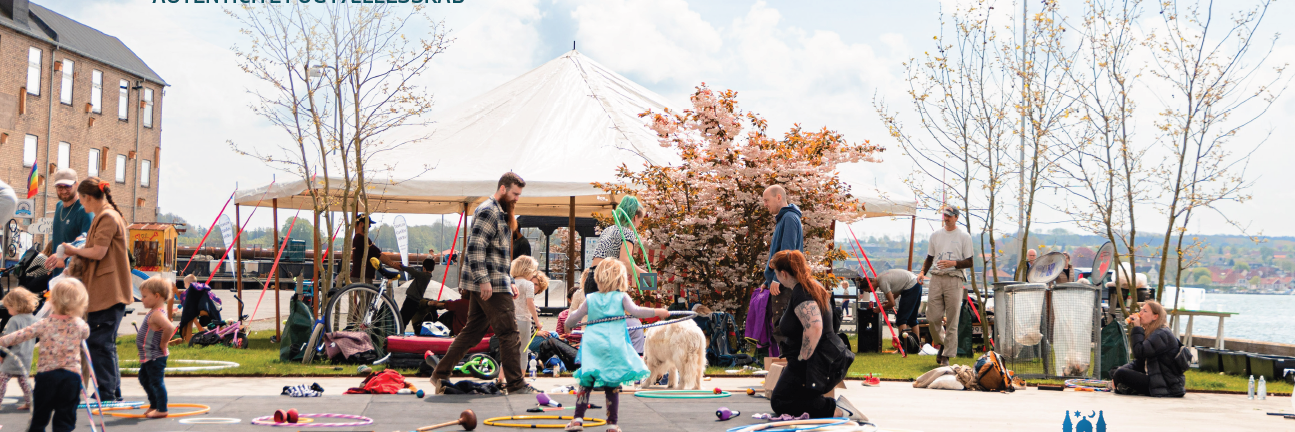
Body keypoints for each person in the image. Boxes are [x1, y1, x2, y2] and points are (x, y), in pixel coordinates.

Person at [430, 172, 536, 395]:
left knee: (473, 332)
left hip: (494, 280)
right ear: (503, 189)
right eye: (515, 194)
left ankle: (440, 374)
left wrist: (509, 280)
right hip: (489, 283)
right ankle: (516, 384)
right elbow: (476, 248)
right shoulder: (489, 211)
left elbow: (497, 254)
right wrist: (484, 280)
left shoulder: (499, 212)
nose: (517, 198)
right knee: (509, 333)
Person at [563, 259, 670, 432]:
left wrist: (568, 325)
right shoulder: (621, 297)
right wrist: (657, 312)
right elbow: (637, 311)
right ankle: (612, 424)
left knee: (586, 381)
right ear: (621, 280)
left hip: (593, 345)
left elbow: (573, 317)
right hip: (614, 344)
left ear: (597, 279)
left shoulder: (591, 299)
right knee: (611, 384)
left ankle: (577, 420)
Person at [768, 250, 865, 422]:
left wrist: (802, 358)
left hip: (816, 363)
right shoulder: (810, 286)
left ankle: (838, 410)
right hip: (820, 359)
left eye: (776, 273)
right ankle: (835, 407)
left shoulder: (802, 292)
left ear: (783, 273)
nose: (776, 278)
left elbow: (814, 327)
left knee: (781, 401)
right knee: (786, 398)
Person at [60, 178, 131, 402]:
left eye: (81, 199)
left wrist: (73, 250)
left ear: (87, 197)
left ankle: (107, 391)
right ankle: (111, 390)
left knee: (99, 343)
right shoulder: (105, 216)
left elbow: (99, 252)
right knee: (103, 343)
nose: (82, 204)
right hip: (103, 292)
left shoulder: (108, 217)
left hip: (108, 292)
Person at [0, 279, 90, 431]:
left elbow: (20, 335)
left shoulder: (44, 323)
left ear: (52, 301)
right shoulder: (79, 324)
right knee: (65, 415)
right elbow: (85, 335)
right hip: (71, 376)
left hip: (47, 375)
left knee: (40, 415)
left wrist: (2, 340)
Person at [585, 196, 650, 353]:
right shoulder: (627, 232)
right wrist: (645, 275)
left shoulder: (608, 230)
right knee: (614, 329)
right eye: (640, 222)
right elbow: (625, 262)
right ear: (635, 217)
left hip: (591, 280)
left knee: (600, 330)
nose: (638, 226)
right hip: (607, 283)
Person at [917, 206, 973, 366]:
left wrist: (953, 263)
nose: (946, 218)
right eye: (944, 215)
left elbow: (969, 261)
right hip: (936, 277)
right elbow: (929, 257)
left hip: (955, 278)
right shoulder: (935, 235)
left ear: (956, 217)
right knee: (932, 316)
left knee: (953, 318)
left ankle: (947, 355)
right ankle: (942, 343)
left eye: (949, 216)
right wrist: (922, 272)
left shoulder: (964, 236)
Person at [761, 185, 803, 358]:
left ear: (779, 197)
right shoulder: (785, 219)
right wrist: (767, 281)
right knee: (779, 326)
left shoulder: (789, 219)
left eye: (766, 200)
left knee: (782, 326)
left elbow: (786, 252)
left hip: (784, 282)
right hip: (779, 279)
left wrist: (777, 279)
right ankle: (787, 366)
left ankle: (789, 367)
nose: (765, 204)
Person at [1113, 300, 1185, 397]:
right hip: (1154, 377)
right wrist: (1117, 372)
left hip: (1166, 384)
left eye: (1145, 311)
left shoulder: (1161, 334)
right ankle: (1125, 387)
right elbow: (1139, 362)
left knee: (1120, 374)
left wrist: (1137, 328)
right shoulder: (1153, 333)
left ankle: (1125, 387)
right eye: (1141, 310)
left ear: (1155, 316)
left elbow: (1139, 352)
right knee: (1115, 371)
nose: (1140, 313)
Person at [136, 277, 176, 418]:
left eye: (145, 296)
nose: (142, 299)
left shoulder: (157, 314)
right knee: (144, 378)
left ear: (157, 296)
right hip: (149, 356)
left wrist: (163, 343)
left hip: (156, 356)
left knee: (155, 381)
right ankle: (154, 405)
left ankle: (162, 408)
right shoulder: (153, 312)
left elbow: (169, 327)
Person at [42, 169, 94, 277]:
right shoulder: (58, 206)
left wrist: (64, 254)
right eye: (60, 187)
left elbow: (89, 243)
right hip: (57, 273)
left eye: (67, 186)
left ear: (77, 185)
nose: (63, 190)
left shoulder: (85, 210)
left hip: (76, 276)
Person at [0, 288, 39, 410]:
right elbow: (36, 338)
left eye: (8, 308)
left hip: (12, 357)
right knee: (24, 381)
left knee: (2, 380)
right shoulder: (34, 319)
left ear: (16, 306)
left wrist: (1, 354)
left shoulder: (14, 320)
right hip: (27, 356)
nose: (8, 310)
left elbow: (9, 340)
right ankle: (30, 402)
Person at [511, 255, 546, 369]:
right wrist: (537, 322)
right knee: (523, 352)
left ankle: (502, 377)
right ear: (528, 269)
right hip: (523, 321)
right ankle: (521, 380)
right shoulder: (528, 284)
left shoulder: (510, 283)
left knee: (508, 351)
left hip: (510, 320)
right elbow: (530, 303)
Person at [350, 214, 404, 284]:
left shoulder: (358, 239)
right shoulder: (361, 239)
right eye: (368, 224)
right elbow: (378, 255)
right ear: (361, 224)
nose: (369, 226)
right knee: (367, 294)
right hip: (362, 277)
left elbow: (377, 253)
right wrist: (393, 264)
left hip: (360, 276)